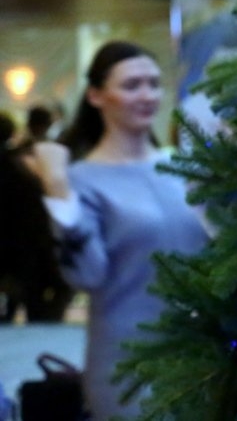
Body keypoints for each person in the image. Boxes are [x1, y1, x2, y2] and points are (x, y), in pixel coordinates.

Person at [25, 41, 209, 421]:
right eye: (131, 85)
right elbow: (86, 274)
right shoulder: (82, 180)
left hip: (202, 358)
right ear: (96, 95)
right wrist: (56, 185)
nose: (147, 95)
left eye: (153, 83)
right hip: (128, 365)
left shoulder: (179, 168)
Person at [0, 111, 73, 323]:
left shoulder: (15, 159)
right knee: (39, 298)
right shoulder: (51, 156)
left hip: (15, 241)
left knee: (21, 296)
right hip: (37, 238)